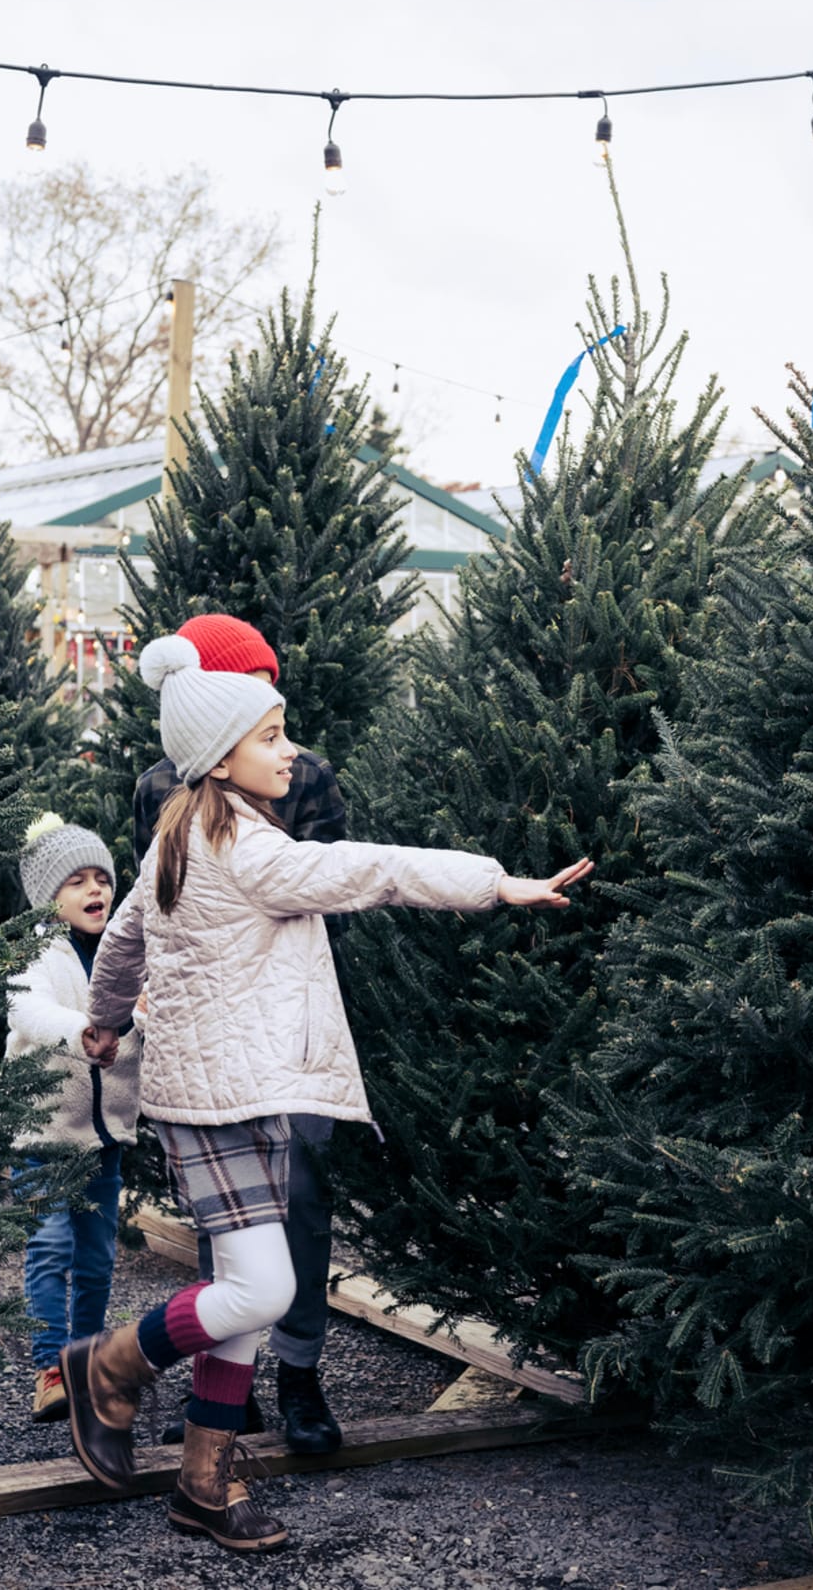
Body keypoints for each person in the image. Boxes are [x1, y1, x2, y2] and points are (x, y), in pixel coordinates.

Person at [57, 633, 590, 1554]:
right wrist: (498, 884)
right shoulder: (250, 852)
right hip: (222, 1097)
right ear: (220, 758)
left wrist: (106, 1021)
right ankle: (109, 1362)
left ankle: (202, 1486)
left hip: (237, 1090)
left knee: (241, 1295)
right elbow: (371, 869)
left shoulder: (178, 835)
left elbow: (124, 944)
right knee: (265, 1287)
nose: (290, 750)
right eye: (271, 737)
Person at [129, 613, 347, 1454]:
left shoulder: (309, 775)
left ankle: (301, 1374)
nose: (269, 706)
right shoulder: (161, 786)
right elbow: (154, 908)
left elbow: (335, 887)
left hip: (291, 1024)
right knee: (238, 1212)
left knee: (303, 1194)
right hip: (211, 1031)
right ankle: (232, 1381)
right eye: (249, 684)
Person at [2, 814, 142, 1425]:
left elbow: (149, 1010)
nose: (96, 891)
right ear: (48, 897)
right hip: (44, 1133)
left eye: (102, 880)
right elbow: (27, 1010)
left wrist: (137, 1018)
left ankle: (86, 1361)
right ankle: (49, 1368)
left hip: (104, 1134)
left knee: (94, 1255)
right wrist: (80, 1032)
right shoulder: (34, 952)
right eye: (78, 882)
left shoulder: (126, 950)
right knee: (50, 1242)